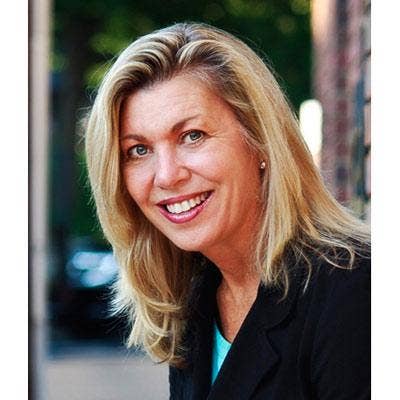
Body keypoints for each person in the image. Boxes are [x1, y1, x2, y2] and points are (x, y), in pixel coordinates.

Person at [85, 23, 370, 399]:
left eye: (192, 136)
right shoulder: (196, 301)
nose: (167, 176)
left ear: (260, 139)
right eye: (138, 150)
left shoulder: (356, 291)